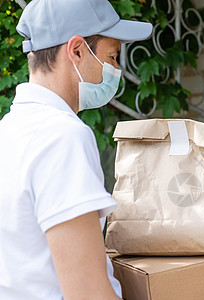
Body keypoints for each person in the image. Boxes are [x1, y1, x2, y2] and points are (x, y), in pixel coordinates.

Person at [0, 0, 153, 299]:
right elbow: (88, 293)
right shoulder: (62, 137)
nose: (116, 69)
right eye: (112, 56)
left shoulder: (9, 130)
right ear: (77, 50)